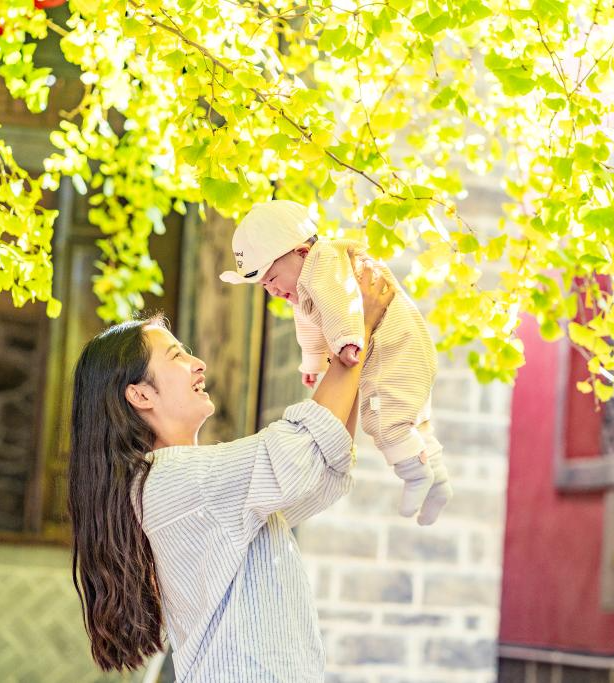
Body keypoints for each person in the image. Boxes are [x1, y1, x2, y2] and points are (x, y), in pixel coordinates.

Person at [67, 260, 393, 680]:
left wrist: (352, 345)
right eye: (177, 356)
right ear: (141, 395)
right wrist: (356, 329)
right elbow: (300, 452)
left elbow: (320, 466)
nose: (198, 362)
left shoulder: (180, 485)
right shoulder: (172, 481)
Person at [219, 199, 452, 526]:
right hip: (403, 348)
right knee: (414, 421)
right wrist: (313, 362)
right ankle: (437, 481)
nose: (272, 290)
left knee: (382, 419)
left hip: (393, 348)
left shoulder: (326, 263)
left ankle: (415, 475)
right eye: (264, 285)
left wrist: (347, 341)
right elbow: (309, 326)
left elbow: (343, 302)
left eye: (272, 278)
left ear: (302, 252)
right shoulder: (308, 282)